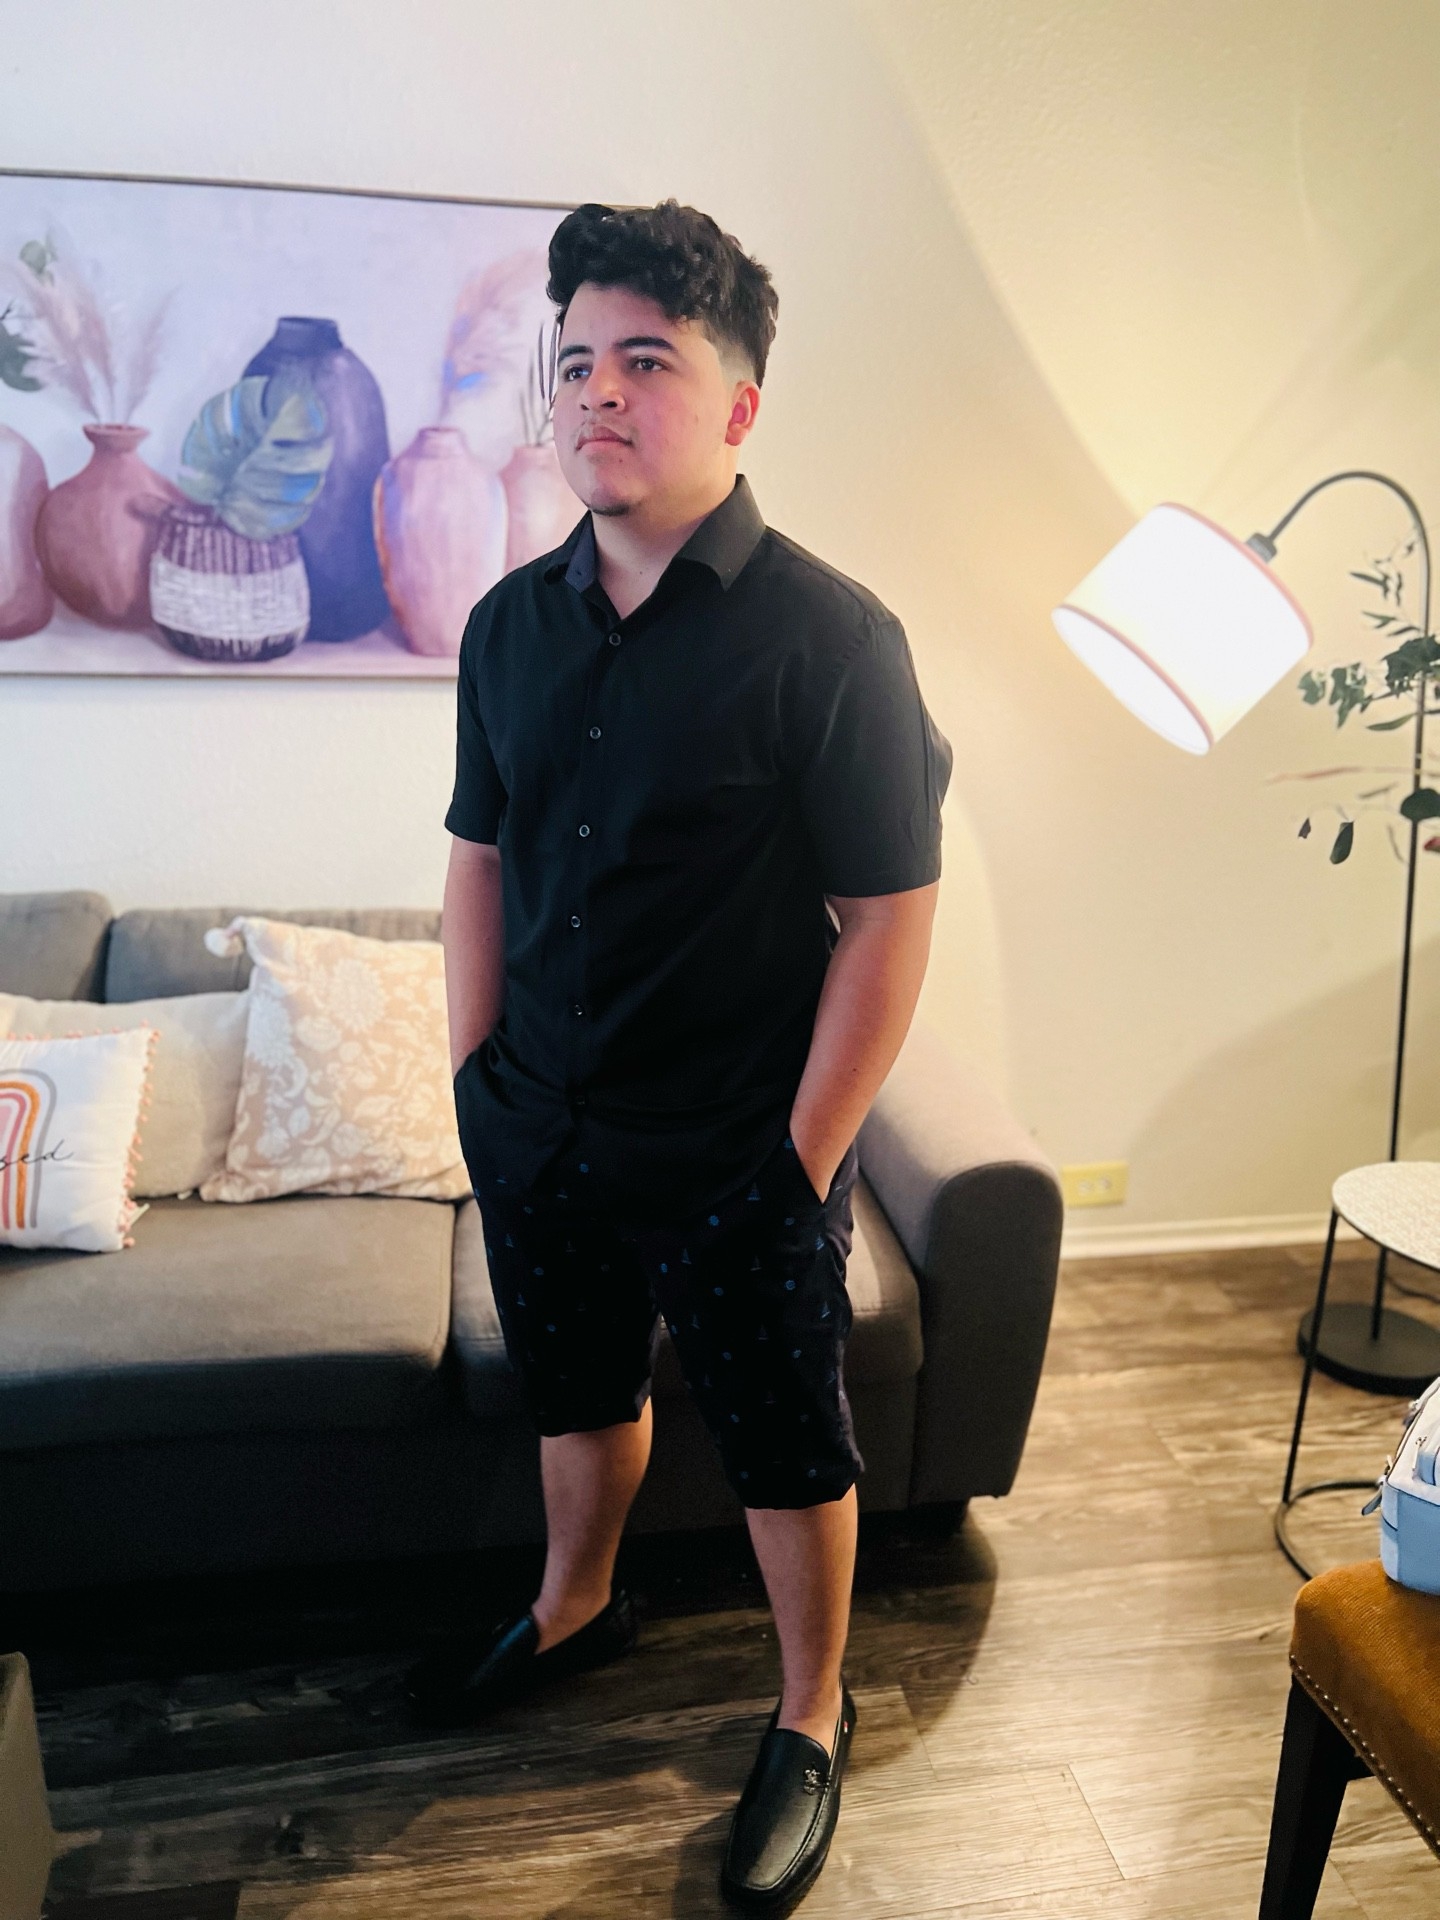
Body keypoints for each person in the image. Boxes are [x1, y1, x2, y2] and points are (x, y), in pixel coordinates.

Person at [405, 199, 952, 1915]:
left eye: (645, 360)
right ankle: (575, 1605)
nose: (597, 394)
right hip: (540, 1122)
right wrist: (477, 1077)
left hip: (735, 1142)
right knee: (580, 1389)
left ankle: (809, 1709)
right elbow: (478, 863)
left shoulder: (835, 642)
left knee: (789, 1438)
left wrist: (799, 1164)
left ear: (739, 403)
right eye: (575, 362)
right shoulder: (509, 626)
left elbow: (888, 921)